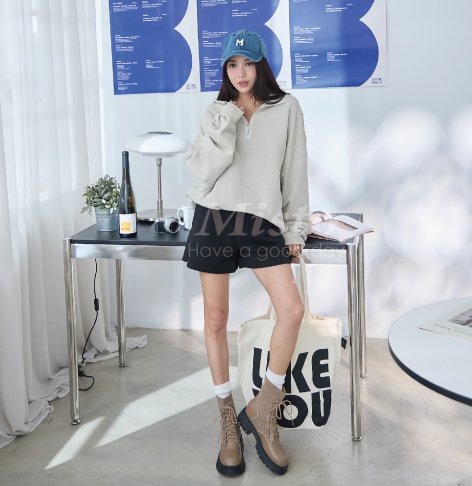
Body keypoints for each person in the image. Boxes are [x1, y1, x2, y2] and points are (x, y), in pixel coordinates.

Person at [182, 28, 311, 476]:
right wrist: (227, 122)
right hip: (214, 217)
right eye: (232, 65)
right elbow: (201, 173)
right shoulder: (216, 112)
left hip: (261, 220)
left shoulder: (287, 108)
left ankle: (264, 409)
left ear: (261, 66)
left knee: (291, 310)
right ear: (225, 69)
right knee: (216, 319)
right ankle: (227, 422)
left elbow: (295, 172)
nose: (241, 73)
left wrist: (295, 228)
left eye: (248, 64)